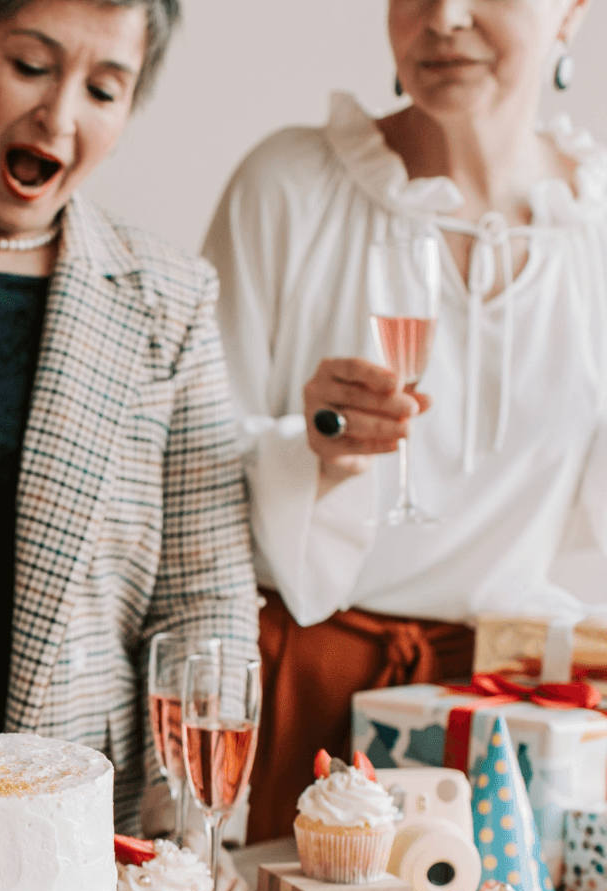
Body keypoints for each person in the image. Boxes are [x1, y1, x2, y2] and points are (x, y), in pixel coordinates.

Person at [203, 0, 604, 842]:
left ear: (570, 14)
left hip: (505, 706)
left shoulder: (593, 234)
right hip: (304, 685)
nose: (444, 16)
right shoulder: (291, 186)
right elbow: (186, 464)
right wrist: (317, 451)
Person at [0, 0, 259, 832]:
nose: (59, 115)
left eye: (104, 89)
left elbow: (203, 602)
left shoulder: (170, 301)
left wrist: (189, 833)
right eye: (31, 67)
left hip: (60, 816)